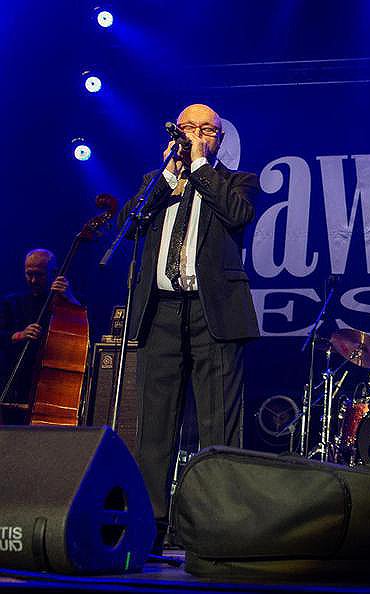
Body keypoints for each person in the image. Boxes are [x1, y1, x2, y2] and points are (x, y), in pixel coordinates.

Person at [117, 103, 259, 552]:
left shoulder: (237, 181)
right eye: (188, 129)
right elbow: (129, 227)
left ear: (219, 138)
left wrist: (198, 165)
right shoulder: (157, 183)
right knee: (154, 426)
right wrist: (167, 175)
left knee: (219, 424)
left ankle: (216, 529)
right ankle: (151, 528)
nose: (196, 135)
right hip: (160, 312)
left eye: (206, 130)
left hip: (212, 312)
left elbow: (236, 214)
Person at [0, 249, 77, 424]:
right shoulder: (11, 302)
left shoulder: (64, 303)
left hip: (53, 384)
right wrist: (19, 335)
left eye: (39, 275)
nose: (33, 280)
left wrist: (70, 299)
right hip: (15, 383)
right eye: (29, 274)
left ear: (54, 273)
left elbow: (86, 331)